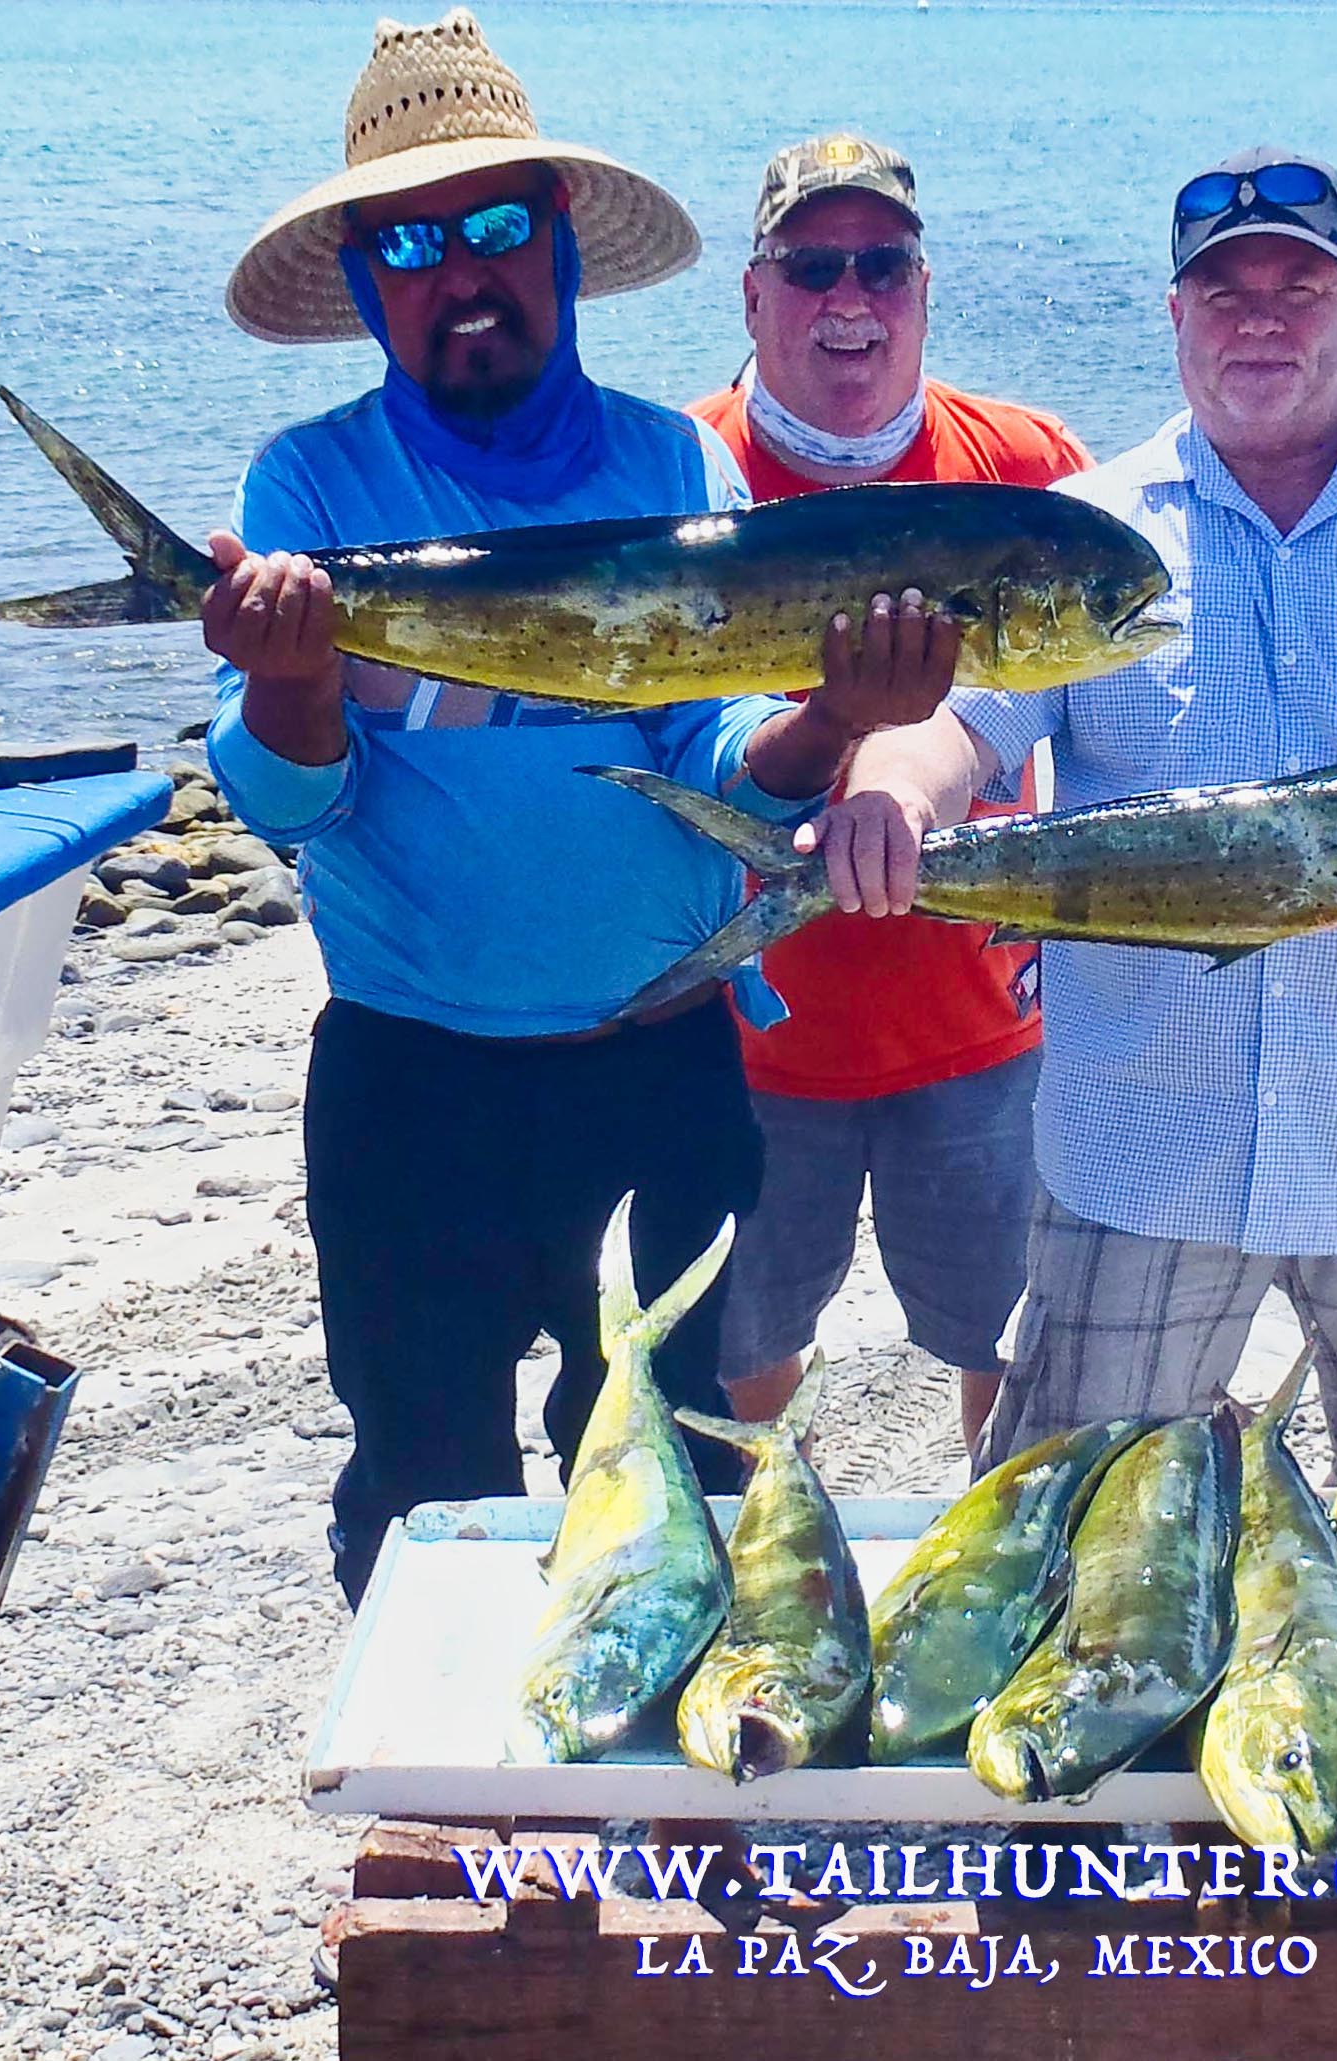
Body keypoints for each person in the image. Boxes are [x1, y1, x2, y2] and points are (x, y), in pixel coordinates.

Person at [199, 11, 956, 1606]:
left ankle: (664, 1751)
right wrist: (287, 682)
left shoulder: (674, 464)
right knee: (421, 1490)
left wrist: (838, 716)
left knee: (680, 1488)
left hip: (662, 1065)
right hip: (413, 1082)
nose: (460, 273)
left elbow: (720, 760)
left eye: (491, 227)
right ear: (366, 281)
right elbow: (286, 803)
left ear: (554, 241)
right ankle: (463, 1764)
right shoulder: (309, 491)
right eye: (412, 244)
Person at [810, 150, 1337, 1483]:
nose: (1260, 323)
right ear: (1175, 318)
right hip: (1142, 1149)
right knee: (1072, 1538)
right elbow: (956, 722)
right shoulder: (1089, 532)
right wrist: (891, 791)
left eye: (1299, 290)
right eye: (1224, 294)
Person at [685, 134, 1092, 1462]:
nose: (848, 298)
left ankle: (992, 1540)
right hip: (742, 1036)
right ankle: (779, 1541)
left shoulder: (1028, 465)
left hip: (984, 1019)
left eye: (882, 265)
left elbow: (1109, 715)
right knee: (739, 1346)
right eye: (812, 268)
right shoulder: (683, 473)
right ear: (754, 295)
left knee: (1014, 1341)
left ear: (923, 288)